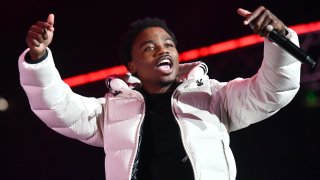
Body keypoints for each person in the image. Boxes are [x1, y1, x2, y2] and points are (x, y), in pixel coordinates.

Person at [18, 6, 301, 180]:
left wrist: (279, 38)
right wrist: (38, 57)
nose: (163, 49)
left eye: (168, 44)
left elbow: (271, 91)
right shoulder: (113, 111)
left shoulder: (212, 97)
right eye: (149, 47)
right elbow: (57, 107)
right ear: (132, 66)